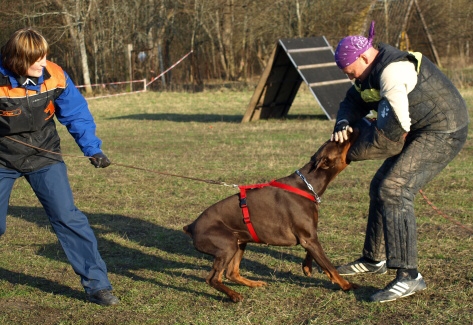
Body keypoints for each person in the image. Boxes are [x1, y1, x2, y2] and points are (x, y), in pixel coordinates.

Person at [331, 21, 469, 302]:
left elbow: (390, 137)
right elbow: (352, 101)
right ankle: (374, 259)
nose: (349, 77)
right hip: (419, 127)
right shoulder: (365, 73)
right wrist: (344, 121)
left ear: (365, 57)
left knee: (394, 188)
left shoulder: (393, 73)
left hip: (443, 130)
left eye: (350, 71)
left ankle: (409, 276)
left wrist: (345, 154)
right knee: (379, 185)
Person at [0, 28, 119, 306]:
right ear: (18, 59)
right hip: (2, 158)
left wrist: (92, 149)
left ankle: (98, 286)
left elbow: (75, 112)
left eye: (44, 57)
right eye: (37, 59)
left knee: (69, 218)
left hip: (45, 156)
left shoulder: (54, 74)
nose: (44, 63)